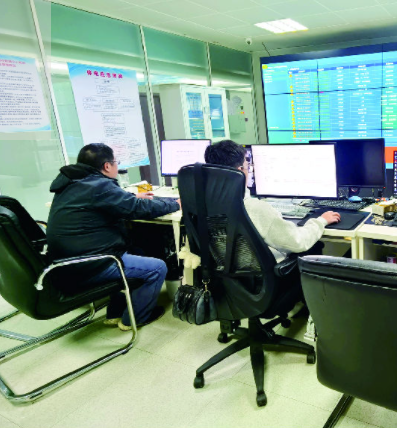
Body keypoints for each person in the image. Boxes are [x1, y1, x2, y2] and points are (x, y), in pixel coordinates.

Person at [47, 143, 181, 331]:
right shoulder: (100, 186)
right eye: (116, 162)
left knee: (138, 250)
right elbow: (137, 209)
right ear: (107, 166)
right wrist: (176, 204)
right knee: (157, 268)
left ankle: (115, 312)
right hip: (91, 264)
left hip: (66, 262)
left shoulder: (73, 182)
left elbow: (107, 202)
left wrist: (130, 198)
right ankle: (134, 319)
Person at [204, 140, 340, 262]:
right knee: (315, 247)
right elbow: (298, 242)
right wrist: (321, 221)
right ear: (240, 172)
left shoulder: (200, 205)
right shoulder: (255, 209)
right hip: (264, 278)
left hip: (223, 277)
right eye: (247, 166)